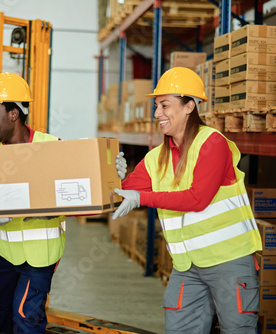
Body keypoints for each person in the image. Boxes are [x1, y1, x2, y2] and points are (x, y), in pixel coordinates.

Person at [112, 67, 263, 333]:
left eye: (165, 105)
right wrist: (113, 177)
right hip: (187, 266)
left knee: (237, 329)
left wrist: (141, 197)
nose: (157, 113)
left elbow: (198, 199)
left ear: (189, 106)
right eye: (156, 106)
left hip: (229, 262)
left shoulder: (212, 144)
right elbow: (121, 194)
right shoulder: (155, 158)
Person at [0, 72, 66, 334]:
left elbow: (80, 191)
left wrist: (113, 172)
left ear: (14, 114)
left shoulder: (52, 147)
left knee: (26, 318)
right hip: (5, 253)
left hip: (41, 255)